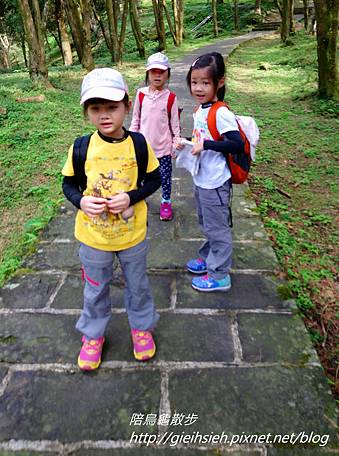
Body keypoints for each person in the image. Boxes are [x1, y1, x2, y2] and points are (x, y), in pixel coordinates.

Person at [62, 68, 161, 371]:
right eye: (96, 109)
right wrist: (81, 201)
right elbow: (67, 184)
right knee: (95, 288)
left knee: (138, 285)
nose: (104, 116)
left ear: (127, 106)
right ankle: (93, 335)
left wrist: (131, 197)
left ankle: (141, 327)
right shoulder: (82, 147)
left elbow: (155, 179)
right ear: (87, 112)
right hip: (94, 238)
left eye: (112, 107)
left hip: (132, 236)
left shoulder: (139, 145)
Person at [175, 52, 244, 292]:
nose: (199, 88)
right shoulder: (200, 110)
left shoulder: (221, 112)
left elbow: (236, 144)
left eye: (205, 82)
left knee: (218, 228)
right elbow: (201, 138)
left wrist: (206, 145)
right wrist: (185, 142)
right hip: (203, 178)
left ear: (220, 82)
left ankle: (219, 274)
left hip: (215, 182)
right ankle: (209, 256)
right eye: (194, 82)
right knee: (207, 222)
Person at [129, 52, 180, 221]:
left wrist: (175, 143)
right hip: (143, 147)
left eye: (162, 72)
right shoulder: (141, 94)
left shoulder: (171, 98)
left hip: (163, 148)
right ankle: (140, 199)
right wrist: (131, 139)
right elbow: (136, 118)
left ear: (168, 74)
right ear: (147, 73)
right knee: (140, 177)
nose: (157, 75)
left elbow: (174, 124)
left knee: (165, 178)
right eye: (153, 71)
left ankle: (165, 202)